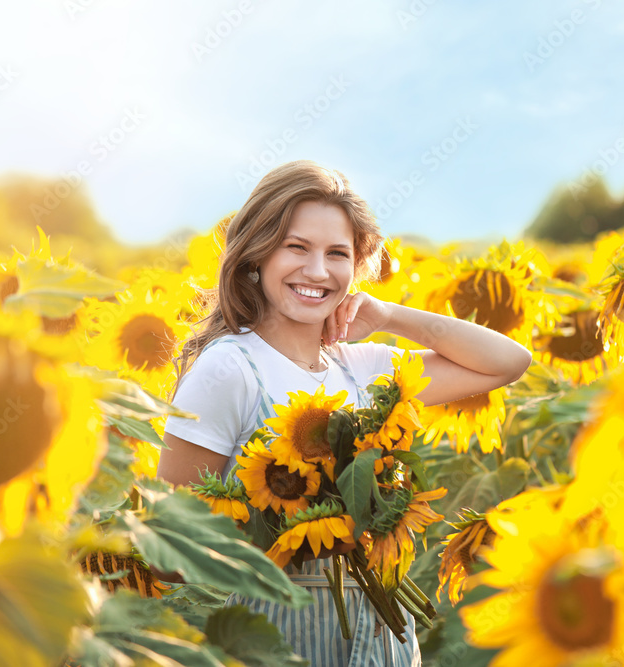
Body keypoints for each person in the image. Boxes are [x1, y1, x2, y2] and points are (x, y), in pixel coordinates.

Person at [158, 160, 531, 666]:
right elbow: (173, 540)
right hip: (281, 636)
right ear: (255, 256)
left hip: (383, 640)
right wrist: (272, 525)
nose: (317, 271)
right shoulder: (230, 369)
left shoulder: (363, 368)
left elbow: (507, 362)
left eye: (338, 254)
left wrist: (388, 316)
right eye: (297, 247)